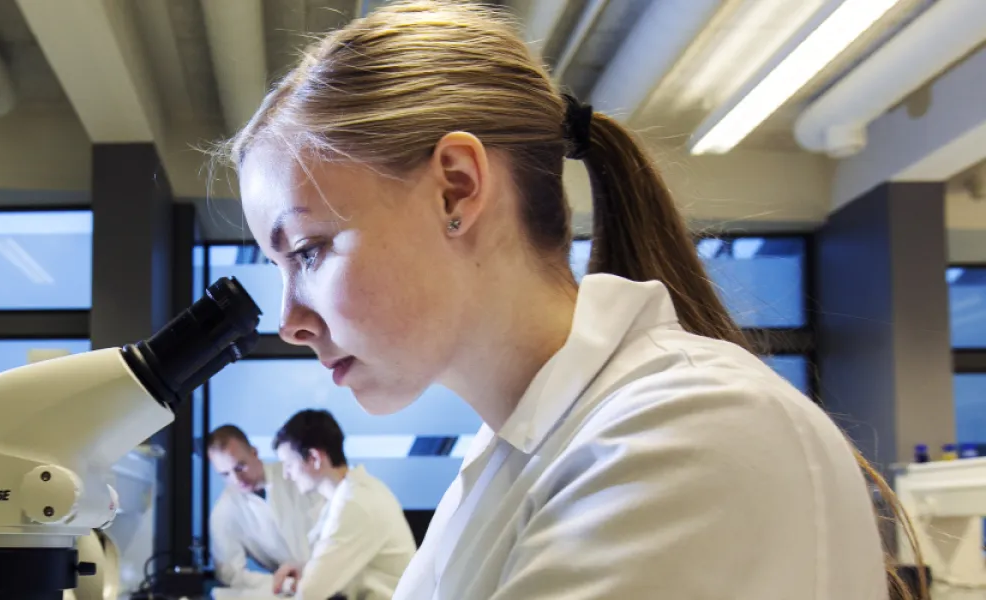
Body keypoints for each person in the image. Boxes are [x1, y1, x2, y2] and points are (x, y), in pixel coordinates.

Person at [218, 2, 919, 598]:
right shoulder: (503, 462)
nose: (290, 322)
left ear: (455, 189)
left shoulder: (691, 432)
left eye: (307, 251)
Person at [269, 410, 415, 600]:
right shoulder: (353, 491)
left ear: (314, 458)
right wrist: (304, 569)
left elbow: (309, 594)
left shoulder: (354, 503)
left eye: (288, 464)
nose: (286, 475)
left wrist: (303, 582)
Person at [206, 424, 322, 590]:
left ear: (254, 453)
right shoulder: (224, 512)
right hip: (291, 590)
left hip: (335, 573)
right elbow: (231, 574)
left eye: (240, 467)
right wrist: (285, 583)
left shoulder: (294, 475)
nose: (237, 479)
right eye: (225, 474)